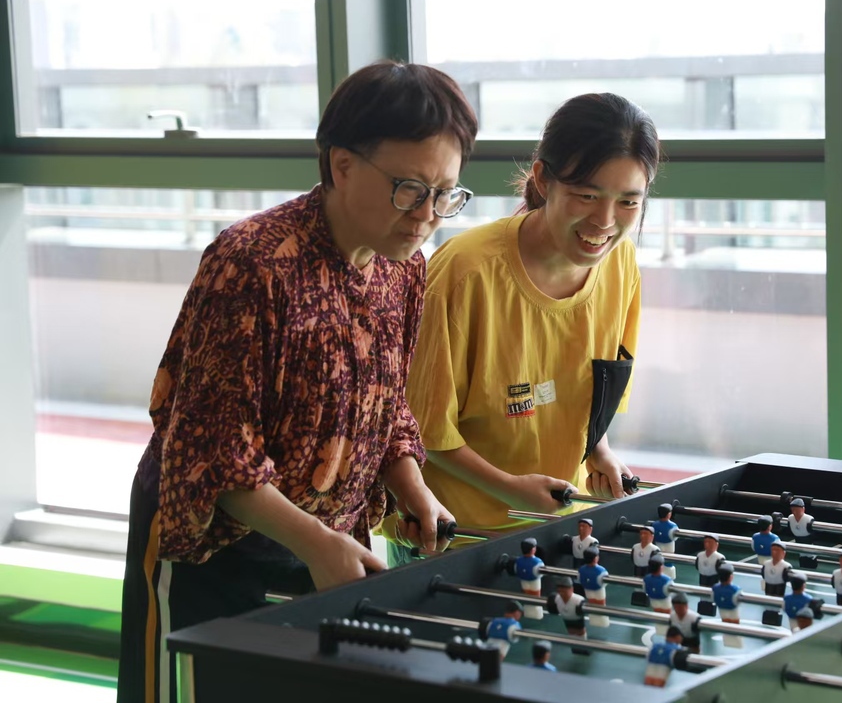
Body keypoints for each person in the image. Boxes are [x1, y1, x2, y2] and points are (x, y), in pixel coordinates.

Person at [116, 61, 473, 703]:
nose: (427, 216)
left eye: (446, 194)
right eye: (409, 189)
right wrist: (320, 542)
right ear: (341, 165)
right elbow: (215, 454)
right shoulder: (252, 264)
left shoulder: (402, 270)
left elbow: (383, 405)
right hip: (212, 550)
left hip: (326, 542)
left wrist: (412, 485)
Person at [395, 92, 660, 532]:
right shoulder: (464, 275)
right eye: (586, 195)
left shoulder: (622, 264)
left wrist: (599, 451)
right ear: (542, 179)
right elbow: (420, 433)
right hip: (453, 533)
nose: (604, 221)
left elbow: (591, 393)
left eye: (628, 202)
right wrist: (508, 488)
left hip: (562, 522)